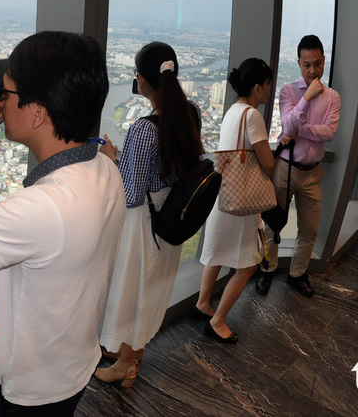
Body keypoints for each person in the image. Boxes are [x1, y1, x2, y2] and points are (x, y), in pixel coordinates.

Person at [0, 31, 124, 415]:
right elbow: (69, 265)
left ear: (37, 113)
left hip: (32, 392)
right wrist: (15, 304)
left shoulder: (45, 207)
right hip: (74, 365)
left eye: (7, 94)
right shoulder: (104, 168)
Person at [94, 42, 204, 388]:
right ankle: (132, 356)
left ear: (141, 80)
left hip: (142, 223)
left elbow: (128, 192)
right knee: (149, 289)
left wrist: (113, 158)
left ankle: (125, 365)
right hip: (169, 215)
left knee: (130, 292)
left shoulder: (143, 130)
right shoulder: (192, 113)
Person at [195, 58, 275, 344]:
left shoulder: (233, 111)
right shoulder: (253, 115)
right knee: (248, 265)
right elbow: (267, 162)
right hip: (242, 201)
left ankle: (204, 304)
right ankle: (217, 321)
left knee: (216, 252)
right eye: (266, 86)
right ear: (257, 87)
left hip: (224, 193)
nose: (268, 91)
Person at [257, 35, 339, 298]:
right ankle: (267, 269)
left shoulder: (333, 97)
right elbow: (286, 126)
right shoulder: (288, 91)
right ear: (299, 64)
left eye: (317, 63)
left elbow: (330, 132)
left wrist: (300, 129)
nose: (312, 70)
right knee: (272, 223)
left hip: (313, 172)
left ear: (324, 61)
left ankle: (297, 274)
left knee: (310, 229)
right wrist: (307, 98)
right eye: (306, 65)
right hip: (285, 169)